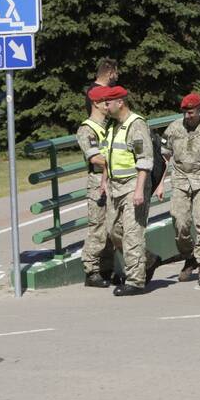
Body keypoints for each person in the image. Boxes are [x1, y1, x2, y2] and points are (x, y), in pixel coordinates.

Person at [102, 86, 162, 295]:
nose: (105, 107)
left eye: (108, 103)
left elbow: (144, 160)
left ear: (120, 102)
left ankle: (136, 281)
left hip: (132, 185)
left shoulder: (136, 125)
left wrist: (139, 190)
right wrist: (104, 181)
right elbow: (108, 156)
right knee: (113, 231)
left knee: (132, 234)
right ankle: (150, 260)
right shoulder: (113, 126)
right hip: (115, 187)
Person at [158, 93, 200, 286]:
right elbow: (165, 157)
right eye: (185, 113)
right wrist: (159, 183)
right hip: (180, 179)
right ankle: (189, 255)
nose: (187, 116)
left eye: (191, 113)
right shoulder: (175, 128)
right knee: (180, 221)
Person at [79, 86, 114, 287]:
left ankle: (107, 268)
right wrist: (117, 160)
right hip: (97, 182)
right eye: (105, 102)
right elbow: (95, 158)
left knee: (112, 227)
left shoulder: (109, 126)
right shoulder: (87, 129)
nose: (108, 106)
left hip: (113, 180)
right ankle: (91, 270)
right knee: (98, 226)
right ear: (96, 104)